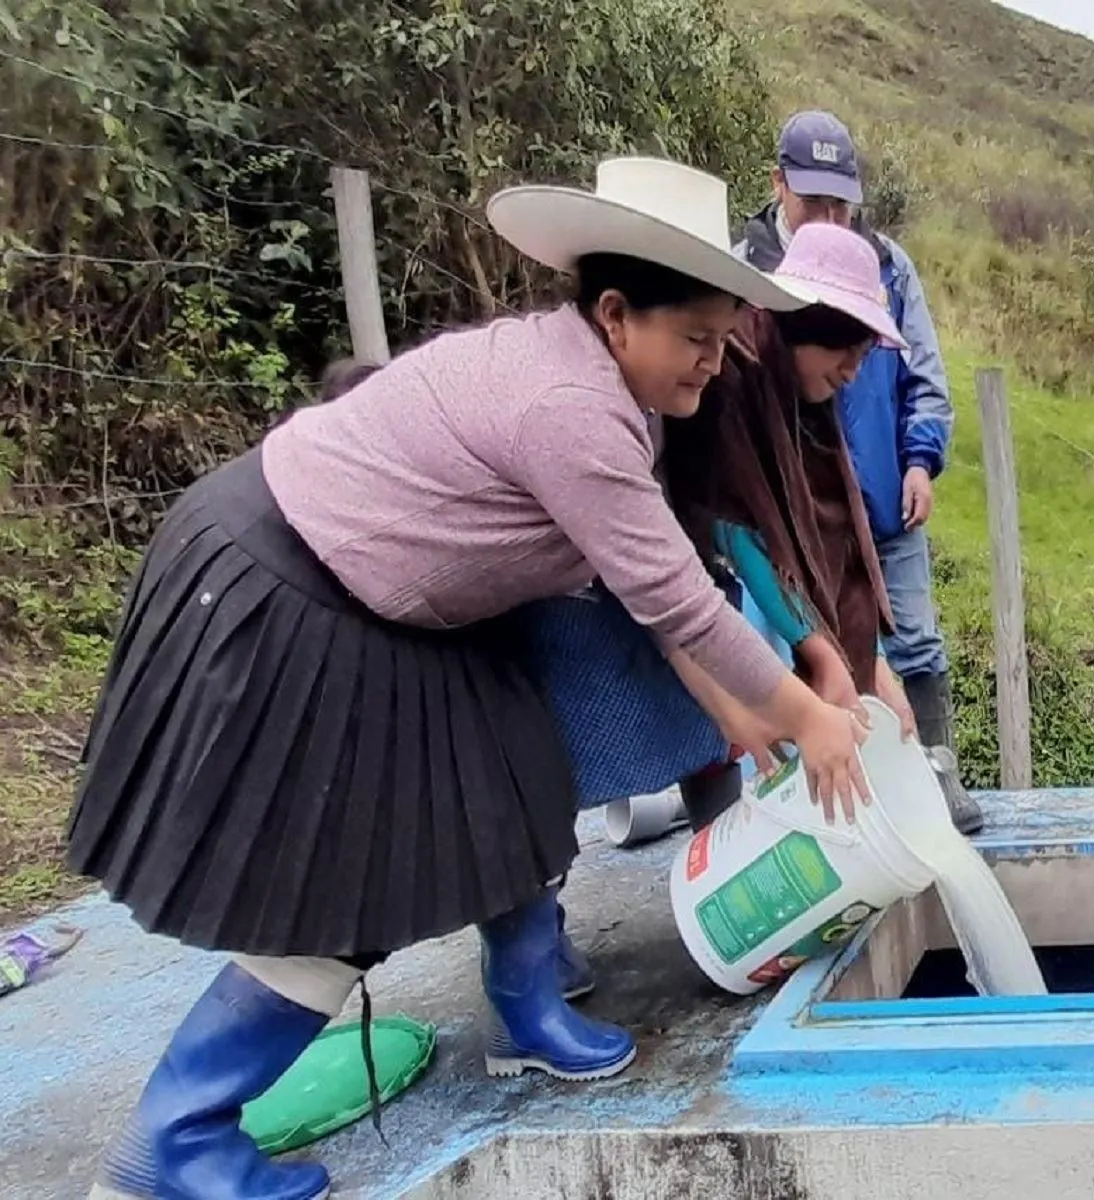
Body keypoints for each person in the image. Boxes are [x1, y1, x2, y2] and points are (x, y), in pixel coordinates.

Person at [66, 156, 874, 1200]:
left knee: (508, 782)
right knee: (334, 887)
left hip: (370, 593)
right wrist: (808, 717)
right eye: (696, 340)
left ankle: (530, 1008)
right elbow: (679, 601)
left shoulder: (590, 377)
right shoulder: (572, 411)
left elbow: (663, 595)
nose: (712, 366)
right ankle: (168, 1146)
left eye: (724, 344)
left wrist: (757, 710)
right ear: (618, 312)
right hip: (296, 595)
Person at [735, 110, 982, 834]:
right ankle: (795, 818)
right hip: (773, 522)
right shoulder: (744, 285)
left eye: (843, 203)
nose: (832, 219)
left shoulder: (886, 263)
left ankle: (926, 783)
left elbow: (924, 373)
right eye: (814, 202)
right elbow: (739, 534)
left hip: (874, 502)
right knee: (775, 662)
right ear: (778, 184)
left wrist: (919, 458)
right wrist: (832, 657)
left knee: (903, 644)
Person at [660, 221, 924, 830]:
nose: (852, 373)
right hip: (678, 584)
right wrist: (821, 653)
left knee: (778, 724)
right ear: (809, 327)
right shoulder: (731, 375)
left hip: (759, 600)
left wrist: (871, 661)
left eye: (862, 358)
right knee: (723, 730)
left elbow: (838, 547)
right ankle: (727, 844)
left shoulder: (807, 407)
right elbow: (733, 523)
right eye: (845, 354)